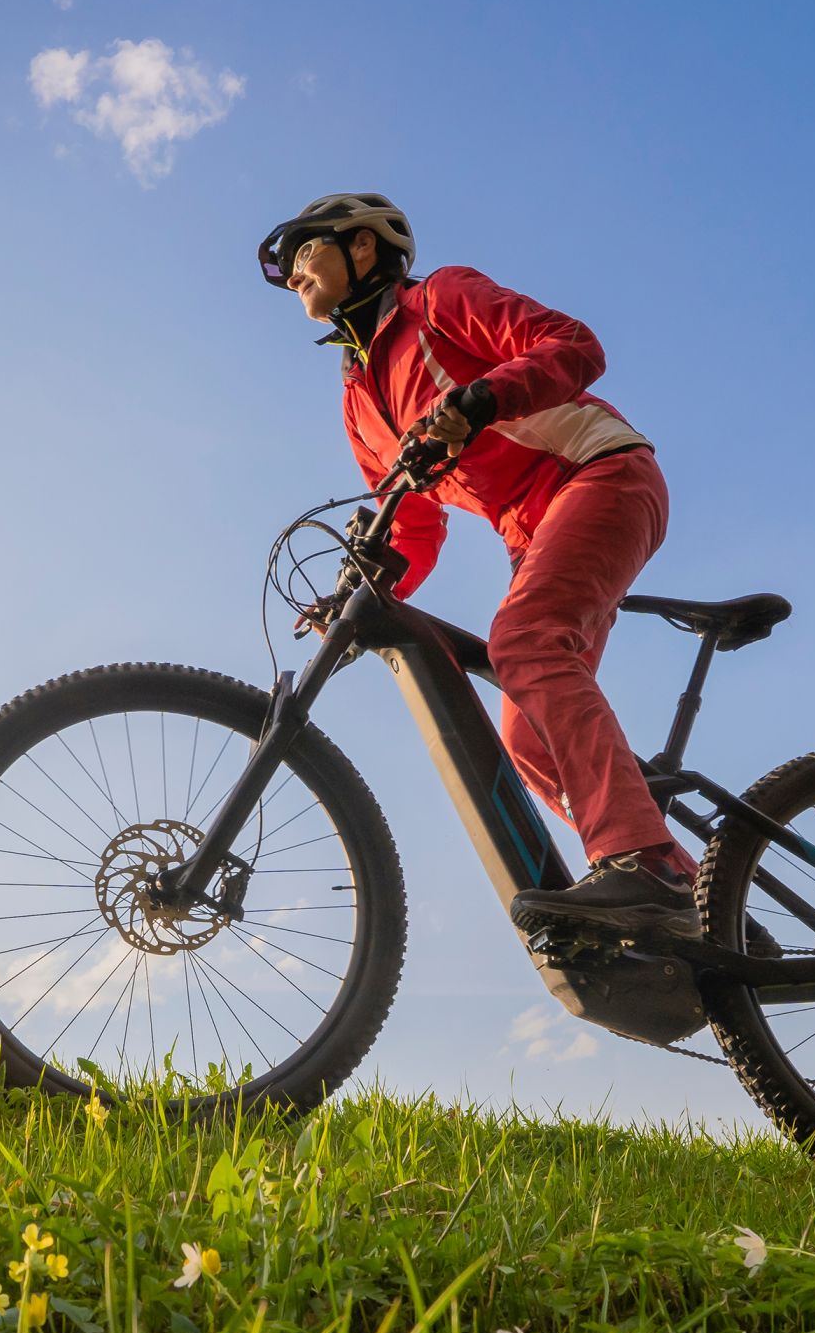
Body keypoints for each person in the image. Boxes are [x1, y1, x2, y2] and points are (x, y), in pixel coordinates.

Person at [259, 192, 701, 938]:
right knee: (529, 739)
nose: (296, 272)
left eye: (308, 250)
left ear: (362, 248)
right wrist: (365, 591)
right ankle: (694, 895)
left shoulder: (439, 298)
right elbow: (417, 524)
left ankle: (641, 865)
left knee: (523, 642)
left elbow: (575, 344)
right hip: (533, 535)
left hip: (601, 474)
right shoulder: (358, 401)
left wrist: (481, 398)